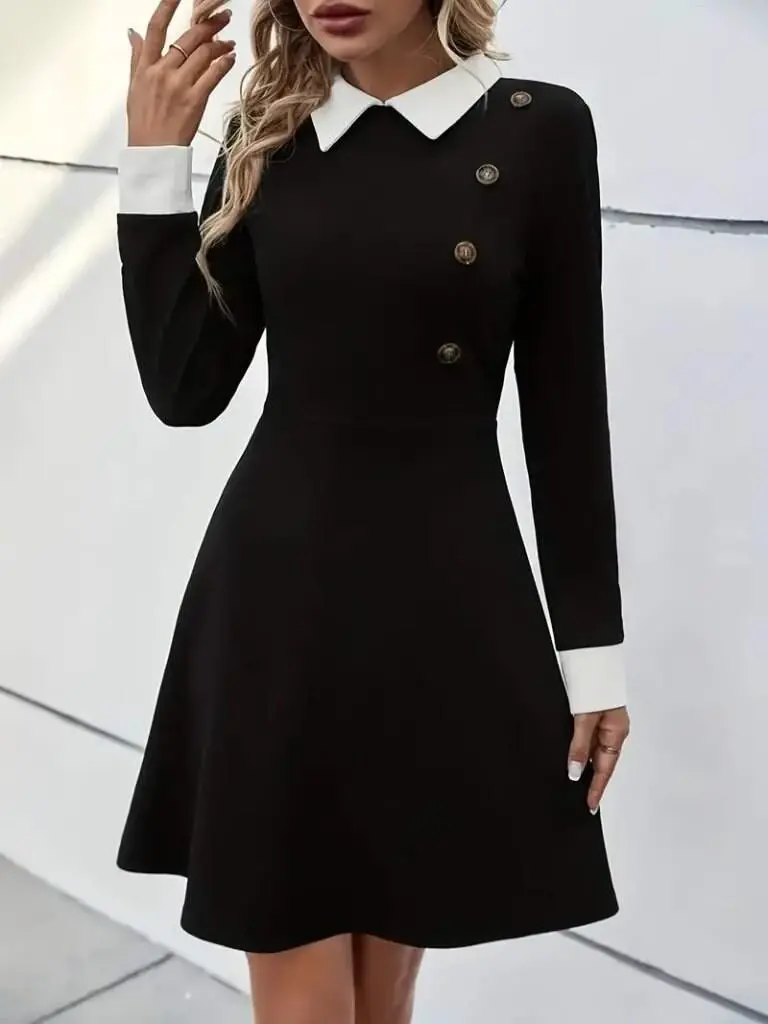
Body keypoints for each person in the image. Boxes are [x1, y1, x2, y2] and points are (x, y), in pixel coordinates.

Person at [117, 0, 631, 1019]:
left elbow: (566, 413)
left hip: (446, 602)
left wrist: (593, 658)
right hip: (281, 599)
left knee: (386, 986)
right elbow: (186, 388)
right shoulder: (269, 132)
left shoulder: (539, 127)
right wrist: (153, 163)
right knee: (302, 984)